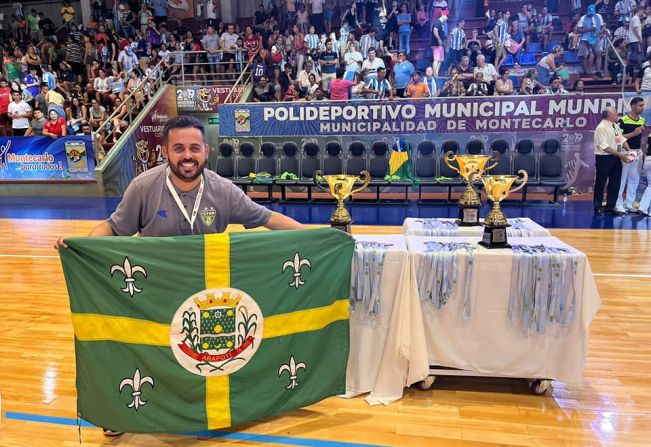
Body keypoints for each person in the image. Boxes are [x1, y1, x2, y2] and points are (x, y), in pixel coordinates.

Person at [55, 116, 305, 248]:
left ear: (206, 151)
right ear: (165, 151)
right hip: (156, 285)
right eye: (179, 148)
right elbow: (113, 227)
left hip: (206, 285)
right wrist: (83, 246)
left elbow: (269, 218)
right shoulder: (143, 186)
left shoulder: (224, 190)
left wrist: (318, 236)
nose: (187, 155)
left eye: (195, 148)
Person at [593, 107, 632, 215]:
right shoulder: (601, 127)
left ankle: (610, 207)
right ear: (610, 114)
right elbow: (604, 147)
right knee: (601, 183)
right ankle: (598, 207)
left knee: (615, 183)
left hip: (616, 158)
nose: (617, 114)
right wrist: (621, 155)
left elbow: (621, 139)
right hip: (604, 158)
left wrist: (629, 151)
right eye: (615, 113)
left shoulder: (615, 126)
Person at [615, 97, 645, 213]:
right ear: (633, 106)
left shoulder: (642, 120)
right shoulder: (623, 120)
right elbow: (617, 138)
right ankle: (618, 204)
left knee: (634, 179)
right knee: (622, 179)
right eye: (640, 105)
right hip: (625, 152)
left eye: (643, 105)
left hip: (637, 152)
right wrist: (634, 133)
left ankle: (629, 204)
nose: (642, 107)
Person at [578, 4, 605, 77]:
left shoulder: (599, 16)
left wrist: (601, 32)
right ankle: (586, 72)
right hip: (586, 38)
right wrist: (588, 30)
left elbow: (603, 26)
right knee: (585, 55)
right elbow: (579, 29)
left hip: (597, 37)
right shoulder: (583, 18)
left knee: (599, 54)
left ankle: (598, 72)